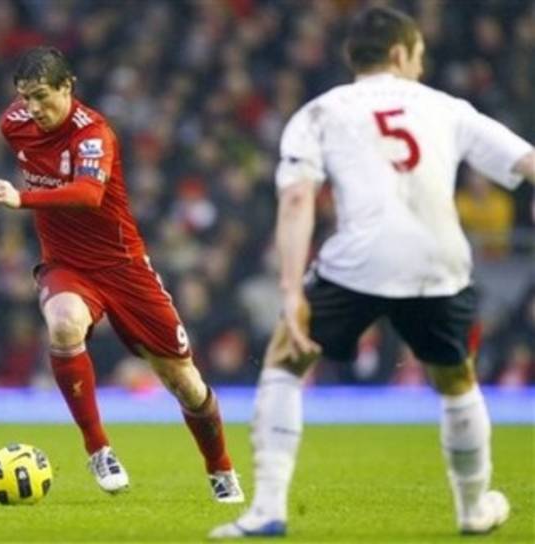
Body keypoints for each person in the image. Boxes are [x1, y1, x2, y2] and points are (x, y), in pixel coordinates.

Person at [210, 6, 535, 538]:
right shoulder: (447, 108)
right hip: (439, 263)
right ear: (401, 53)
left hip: (358, 262)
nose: (420, 67)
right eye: (419, 56)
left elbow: (297, 200)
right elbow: (527, 162)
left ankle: (267, 510)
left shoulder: (320, 112)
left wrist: (291, 290)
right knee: (457, 379)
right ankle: (474, 509)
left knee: (285, 360)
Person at [0, 46, 244, 503]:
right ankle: (98, 450)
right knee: (64, 324)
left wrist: (21, 198)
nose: (33, 108)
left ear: (68, 86)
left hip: (124, 268)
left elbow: (88, 194)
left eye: (42, 96)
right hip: (66, 264)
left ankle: (220, 468)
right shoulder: (14, 124)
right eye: (25, 97)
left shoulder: (94, 134)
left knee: (184, 382)